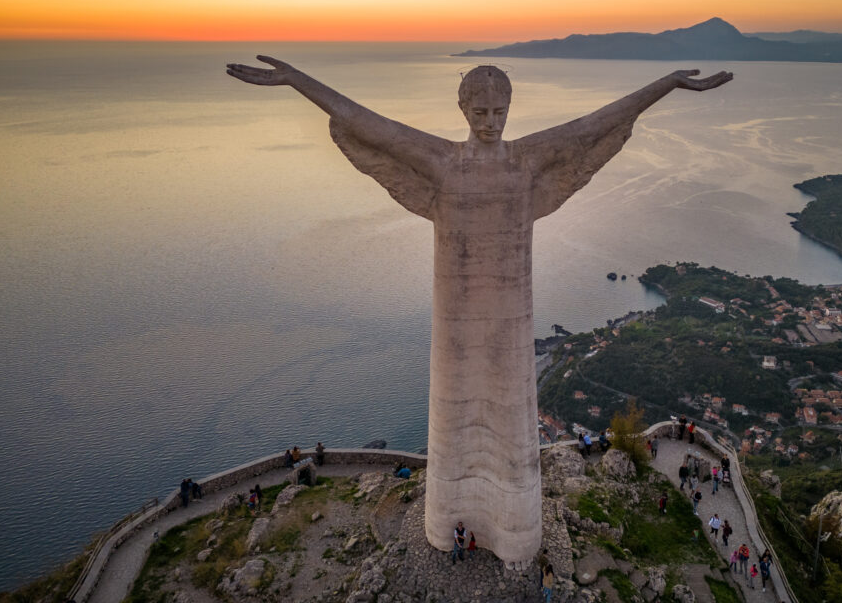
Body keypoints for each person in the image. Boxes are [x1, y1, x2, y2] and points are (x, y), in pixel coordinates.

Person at [227, 58, 732, 564]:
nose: (491, 122)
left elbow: (593, 127)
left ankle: (513, 533)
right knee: (453, 416)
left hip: (511, 332)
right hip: (455, 328)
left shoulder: (526, 161)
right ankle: (449, 527)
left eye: (500, 111)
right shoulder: (443, 162)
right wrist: (298, 81)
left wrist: (666, 84)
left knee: (512, 418)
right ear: (463, 109)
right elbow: (371, 127)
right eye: (482, 111)